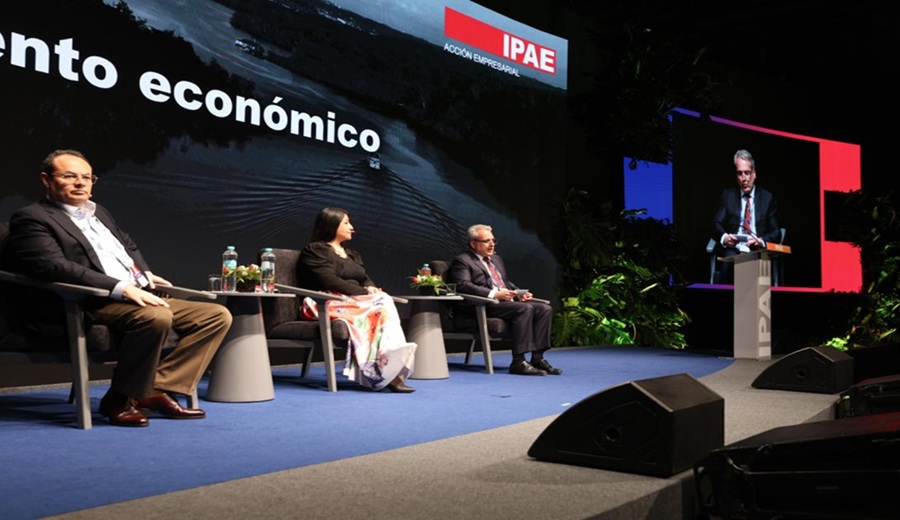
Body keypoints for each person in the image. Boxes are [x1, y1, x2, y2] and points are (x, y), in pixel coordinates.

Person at [3, 149, 232, 427]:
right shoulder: (32, 217)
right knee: (156, 316)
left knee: (215, 316)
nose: (80, 183)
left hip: (134, 293)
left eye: (87, 177)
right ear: (47, 180)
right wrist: (120, 287)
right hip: (88, 300)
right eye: (70, 176)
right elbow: (52, 266)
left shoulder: (99, 211)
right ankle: (119, 399)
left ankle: (155, 389)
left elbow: (127, 245)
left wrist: (144, 273)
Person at [298, 207, 417, 393]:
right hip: (326, 300)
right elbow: (328, 280)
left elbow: (364, 278)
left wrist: (371, 288)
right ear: (331, 224)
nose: (352, 227)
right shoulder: (315, 250)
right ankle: (389, 365)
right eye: (346, 223)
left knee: (382, 301)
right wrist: (365, 293)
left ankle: (389, 361)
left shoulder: (352, 254)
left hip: (354, 301)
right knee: (382, 303)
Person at [449, 224, 559, 376]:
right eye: (486, 241)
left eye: (493, 240)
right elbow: (463, 285)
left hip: (504, 303)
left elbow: (505, 283)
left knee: (544, 309)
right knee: (524, 308)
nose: (492, 244)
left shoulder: (496, 259)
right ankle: (518, 361)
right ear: (473, 243)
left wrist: (518, 293)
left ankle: (537, 358)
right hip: (481, 305)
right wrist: (494, 294)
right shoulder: (463, 261)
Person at [713, 149, 781, 283]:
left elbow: (776, 232)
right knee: (728, 263)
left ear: (754, 174)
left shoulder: (767, 198)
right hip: (734, 249)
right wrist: (725, 237)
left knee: (758, 264)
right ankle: (726, 297)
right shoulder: (728, 196)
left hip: (757, 250)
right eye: (740, 173)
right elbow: (716, 223)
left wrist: (761, 241)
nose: (744, 178)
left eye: (747, 173)